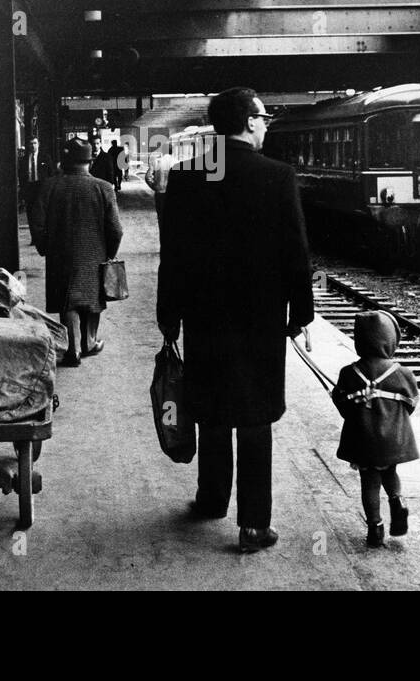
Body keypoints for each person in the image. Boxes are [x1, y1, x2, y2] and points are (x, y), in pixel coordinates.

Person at [157, 87, 314, 554]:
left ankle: (211, 499)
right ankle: (253, 524)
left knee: (212, 405)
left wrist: (169, 313)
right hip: (260, 317)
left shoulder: (187, 178)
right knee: (254, 413)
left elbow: (174, 255)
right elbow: (296, 253)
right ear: (248, 122)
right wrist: (301, 312)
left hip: (205, 315)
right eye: (264, 118)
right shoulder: (278, 176)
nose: (266, 126)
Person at [30, 139, 123, 366]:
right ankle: (89, 342)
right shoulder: (104, 188)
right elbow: (116, 229)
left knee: (67, 299)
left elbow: (37, 222)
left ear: (65, 162)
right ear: (89, 162)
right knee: (92, 298)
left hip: (59, 253)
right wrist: (109, 253)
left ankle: (73, 348)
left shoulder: (50, 186)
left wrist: (45, 247)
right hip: (94, 252)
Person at [331, 311, 419, 547]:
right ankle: (397, 501)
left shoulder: (348, 373)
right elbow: (411, 403)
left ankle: (375, 529)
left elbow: (342, 405)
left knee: (369, 481)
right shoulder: (403, 373)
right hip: (393, 438)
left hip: (363, 439)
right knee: (390, 472)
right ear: (391, 340)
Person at [18, 137, 51, 218]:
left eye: (35, 143)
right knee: (30, 213)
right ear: (28, 145)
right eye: (31, 143)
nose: (33, 145)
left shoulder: (45, 157)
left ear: (38, 144)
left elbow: (51, 174)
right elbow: (21, 176)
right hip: (29, 188)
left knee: (41, 213)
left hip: (41, 187)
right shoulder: (23, 159)